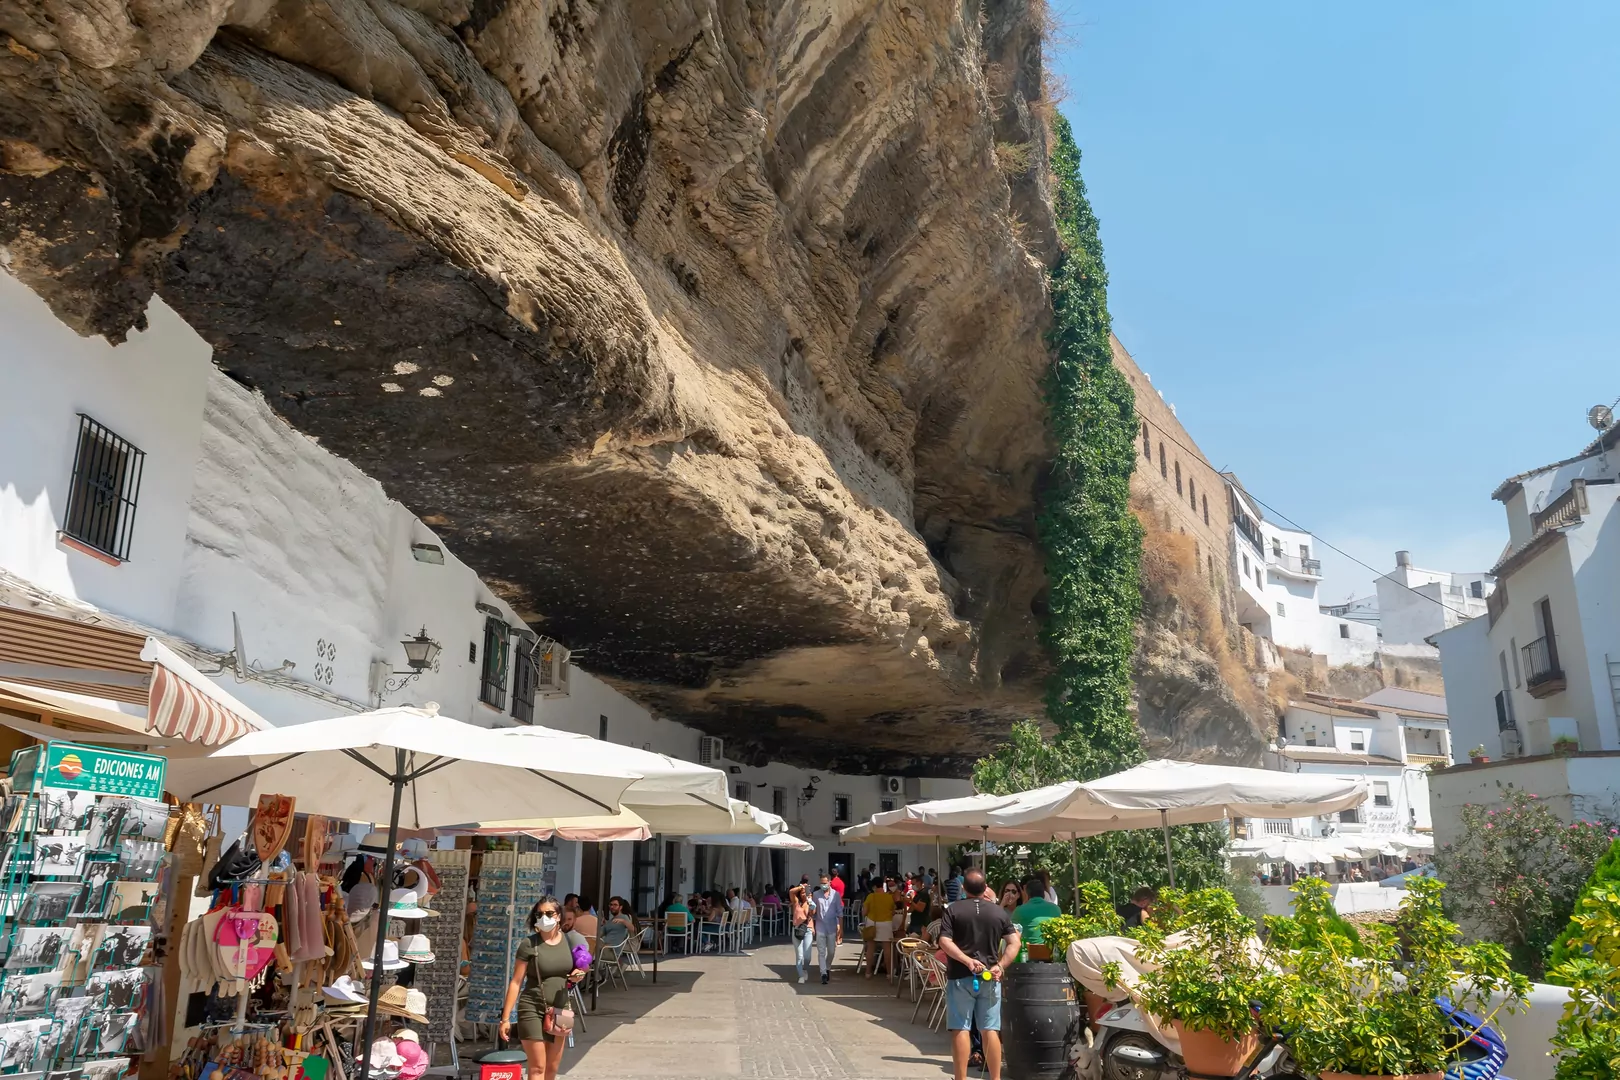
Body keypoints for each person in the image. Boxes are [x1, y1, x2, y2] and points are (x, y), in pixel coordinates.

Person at [939, 869, 1020, 1080]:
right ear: (986, 888)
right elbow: (1015, 942)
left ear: (963, 888)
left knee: (960, 1028)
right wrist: (1001, 965)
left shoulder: (953, 910)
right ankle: (995, 1078)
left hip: (960, 976)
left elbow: (944, 941)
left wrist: (966, 960)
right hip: (990, 977)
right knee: (990, 1029)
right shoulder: (999, 913)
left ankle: (961, 1078)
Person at [500, 896, 588, 1080]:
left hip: (560, 1008)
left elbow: (580, 968)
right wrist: (506, 1019)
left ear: (558, 916)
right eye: (539, 914)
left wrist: (579, 975)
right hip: (532, 1007)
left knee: (551, 1068)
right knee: (538, 1068)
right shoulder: (529, 944)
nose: (544, 917)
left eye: (549, 913)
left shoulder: (570, 941)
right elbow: (516, 981)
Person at [1011, 874, 1061, 959]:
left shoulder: (1019, 910)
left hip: (1027, 957)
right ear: (1044, 894)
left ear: (1027, 893)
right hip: (1051, 956)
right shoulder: (1056, 909)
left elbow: (1012, 934)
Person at [811, 872, 844, 984]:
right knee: (821, 951)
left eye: (825, 883)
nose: (823, 885)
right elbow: (813, 913)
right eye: (821, 883)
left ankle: (827, 967)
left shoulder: (836, 895)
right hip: (820, 926)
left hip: (832, 927)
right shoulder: (816, 895)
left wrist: (841, 928)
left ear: (829, 882)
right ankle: (823, 973)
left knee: (831, 951)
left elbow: (840, 913)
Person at [862, 877, 898, 978]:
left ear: (874, 886)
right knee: (887, 949)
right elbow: (893, 911)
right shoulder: (889, 897)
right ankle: (889, 973)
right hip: (886, 923)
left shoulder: (870, 896)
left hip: (872, 923)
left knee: (870, 949)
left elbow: (864, 912)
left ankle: (868, 972)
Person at [788, 883, 814, 983]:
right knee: (799, 955)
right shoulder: (796, 902)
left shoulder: (810, 903)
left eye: (806, 893)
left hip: (808, 930)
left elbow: (813, 913)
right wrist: (801, 887)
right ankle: (801, 976)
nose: (804, 894)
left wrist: (810, 901)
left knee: (807, 956)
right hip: (797, 929)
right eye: (802, 893)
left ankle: (805, 969)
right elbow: (791, 892)